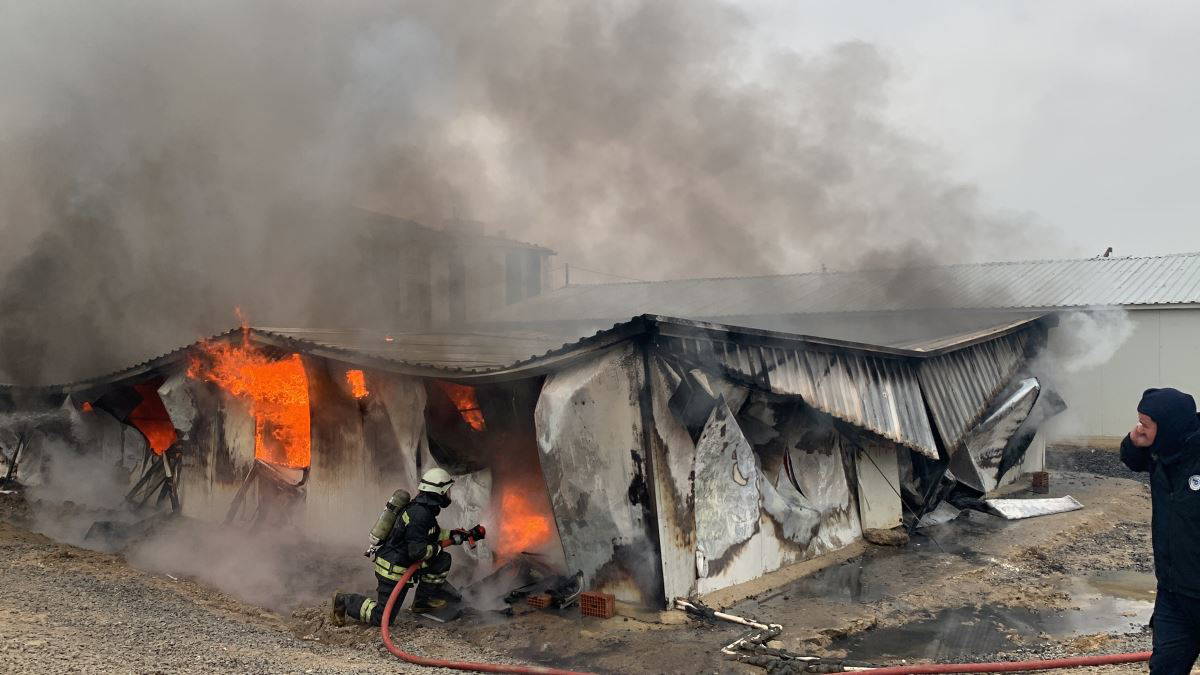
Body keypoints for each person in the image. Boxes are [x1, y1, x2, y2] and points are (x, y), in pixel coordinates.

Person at [331, 467, 483, 625]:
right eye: (447, 491)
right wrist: (439, 546)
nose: (449, 495)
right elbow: (417, 552)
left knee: (441, 560)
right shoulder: (420, 515)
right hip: (393, 569)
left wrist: (454, 535)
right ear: (440, 492)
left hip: (404, 562)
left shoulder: (423, 510)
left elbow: (429, 534)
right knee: (381, 618)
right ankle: (344, 600)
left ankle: (422, 602)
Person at [1121, 387, 1200, 674]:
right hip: (1173, 593)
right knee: (1165, 667)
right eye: (1139, 421)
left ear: (1168, 427)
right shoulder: (1161, 452)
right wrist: (1134, 441)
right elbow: (1132, 459)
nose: (1139, 428)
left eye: (1146, 424)